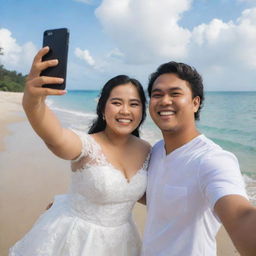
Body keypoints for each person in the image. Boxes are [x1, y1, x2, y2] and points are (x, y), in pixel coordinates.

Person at [9, 47, 151, 256]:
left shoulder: (148, 150)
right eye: (116, 103)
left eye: (134, 104)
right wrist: (32, 101)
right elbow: (54, 136)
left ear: (142, 110)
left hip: (123, 243)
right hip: (75, 239)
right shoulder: (87, 145)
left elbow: (153, 195)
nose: (125, 111)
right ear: (103, 109)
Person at [141, 61, 256, 256]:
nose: (164, 101)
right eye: (157, 94)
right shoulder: (157, 150)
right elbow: (157, 197)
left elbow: (240, 215)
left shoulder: (212, 159)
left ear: (196, 103)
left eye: (175, 94)